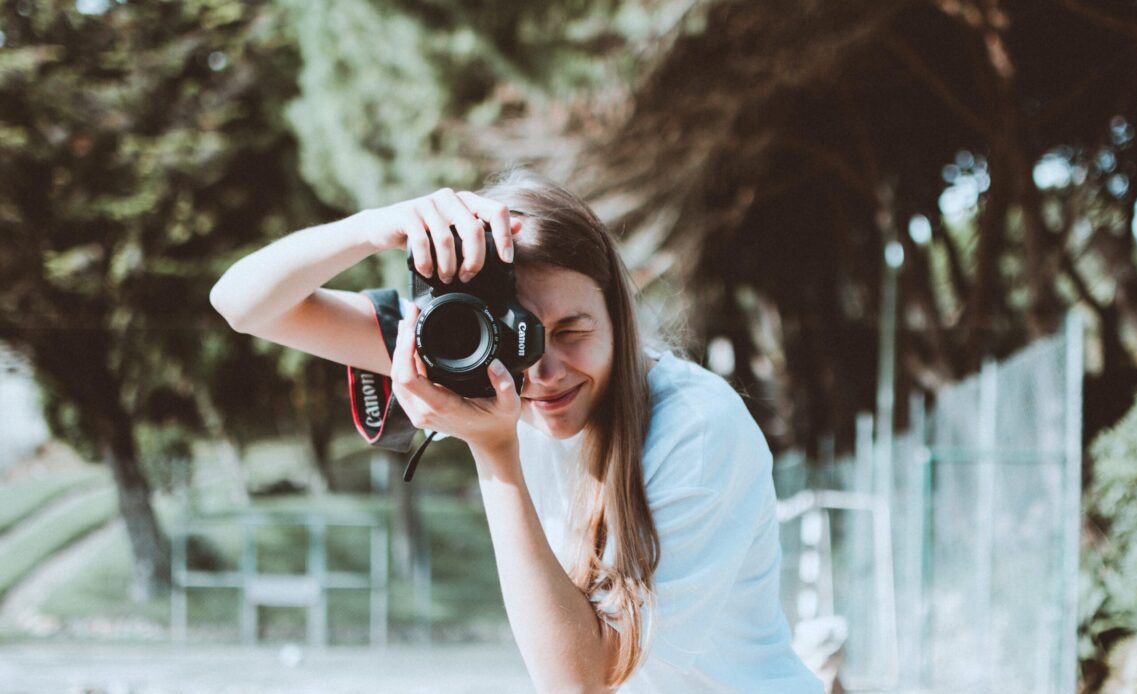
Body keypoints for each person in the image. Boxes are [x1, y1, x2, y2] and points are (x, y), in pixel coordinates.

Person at [210, 169, 823, 693]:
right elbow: (243, 303)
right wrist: (372, 227)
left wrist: (495, 452)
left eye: (571, 330)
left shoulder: (694, 428)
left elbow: (584, 680)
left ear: (618, 313)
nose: (545, 372)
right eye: (515, 338)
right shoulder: (467, 355)